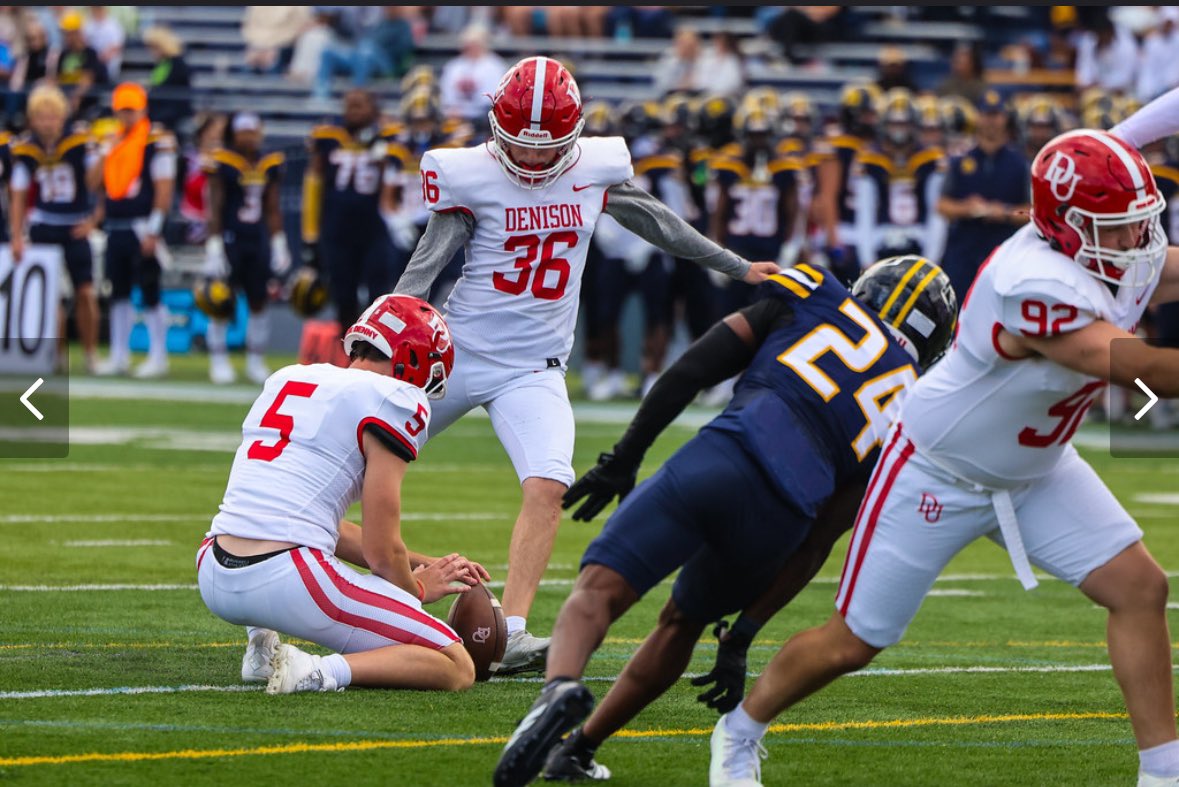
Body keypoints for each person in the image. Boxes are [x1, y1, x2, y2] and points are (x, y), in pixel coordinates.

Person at [707, 123, 1179, 787]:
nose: (1138, 239)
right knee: (853, 641)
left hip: (1036, 470)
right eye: (1120, 226)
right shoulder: (1033, 282)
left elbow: (1162, 271)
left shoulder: (1109, 250)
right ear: (1067, 227)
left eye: (1140, 223)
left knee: (1138, 587)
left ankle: (1163, 773)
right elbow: (1141, 372)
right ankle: (739, 728)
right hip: (938, 469)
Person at [492, 256, 958, 787]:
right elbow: (818, 541)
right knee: (681, 624)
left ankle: (559, 689)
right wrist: (743, 634)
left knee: (598, 589)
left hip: (725, 457)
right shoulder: (913, 406)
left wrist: (625, 457)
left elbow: (693, 369)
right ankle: (579, 750)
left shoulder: (816, 294)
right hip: (783, 517)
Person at [389, 56, 781, 676]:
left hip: (535, 366)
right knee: (358, 463)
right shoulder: (471, 173)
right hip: (457, 352)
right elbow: (426, 264)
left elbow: (655, 221)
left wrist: (735, 266)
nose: (535, 161)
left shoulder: (594, 169)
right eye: (520, 146)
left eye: (548, 149)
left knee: (548, 484)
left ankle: (511, 630)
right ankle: (290, 596)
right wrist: (378, 335)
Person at [197, 294, 489, 695]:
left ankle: (261, 647)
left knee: (283, 521)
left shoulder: (288, 377)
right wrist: (418, 589)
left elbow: (310, 522)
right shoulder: (394, 398)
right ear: (414, 358)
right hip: (289, 579)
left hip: (213, 570)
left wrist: (425, 563)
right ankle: (316, 670)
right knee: (456, 665)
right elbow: (382, 550)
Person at [9, 84, 102, 372]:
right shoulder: (26, 147)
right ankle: (57, 356)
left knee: (85, 292)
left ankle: (90, 355)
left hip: (75, 226)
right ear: (33, 118)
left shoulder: (78, 142)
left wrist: (93, 220)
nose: (47, 122)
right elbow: (18, 194)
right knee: (50, 297)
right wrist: (16, 235)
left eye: (52, 116)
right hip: (44, 225)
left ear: (62, 116)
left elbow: (101, 184)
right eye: (41, 116)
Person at [93, 82, 177, 378]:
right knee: (118, 292)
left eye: (132, 109)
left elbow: (164, 189)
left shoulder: (156, 140)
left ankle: (158, 355)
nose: (127, 115)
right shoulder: (112, 141)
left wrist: (155, 229)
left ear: (142, 109)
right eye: (123, 109)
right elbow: (95, 185)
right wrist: (103, 153)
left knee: (151, 290)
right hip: (116, 225)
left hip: (142, 225)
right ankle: (119, 354)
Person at [300, 88, 401, 333]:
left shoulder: (389, 136)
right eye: (350, 105)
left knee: (379, 293)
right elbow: (314, 180)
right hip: (337, 228)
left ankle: (375, 350)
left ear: (373, 108)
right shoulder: (328, 136)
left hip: (374, 228)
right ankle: (349, 353)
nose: (354, 111)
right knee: (343, 294)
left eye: (360, 105)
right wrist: (311, 233)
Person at [201, 112, 290, 385]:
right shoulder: (223, 161)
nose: (248, 137)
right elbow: (215, 204)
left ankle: (255, 358)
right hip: (230, 236)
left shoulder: (268, 163)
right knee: (221, 299)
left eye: (253, 131)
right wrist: (214, 242)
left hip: (257, 237)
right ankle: (218, 357)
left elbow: (272, 206)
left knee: (259, 299)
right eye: (243, 131)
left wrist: (278, 240)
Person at [936, 90, 1030, 301]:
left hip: (1003, 249)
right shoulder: (960, 160)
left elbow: (1031, 212)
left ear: (1005, 118)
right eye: (987, 114)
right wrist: (966, 209)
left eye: (996, 115)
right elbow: (942, 205)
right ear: (978, 117)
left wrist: (1005, 212)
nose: (991, 121)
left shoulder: (1019, 163)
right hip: (964, 250)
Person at [438, 24, 504, 132]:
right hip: (452, 118)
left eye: (474, 44)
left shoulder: (495, 66)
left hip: (480, 121)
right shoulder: (453, 66)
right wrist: (452, 109)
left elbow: (492, 101)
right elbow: (445, 95)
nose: (471, 48)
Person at [50, 10, 106, 120]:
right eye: (64, 33)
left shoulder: (90, 53)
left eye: (69, 33)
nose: (66, 37)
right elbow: (56, 78)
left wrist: (75, 97)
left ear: (78, 32)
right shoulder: (63, 54)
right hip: (64, 99)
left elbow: (87, 80)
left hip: (86, 105)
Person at [142, 25, 192, 134]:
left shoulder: (178, 65)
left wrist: (161, 120)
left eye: (154, 47)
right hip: (159, 115)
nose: (152, 52)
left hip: (171, 119)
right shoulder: (161, 65)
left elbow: (177, 98)